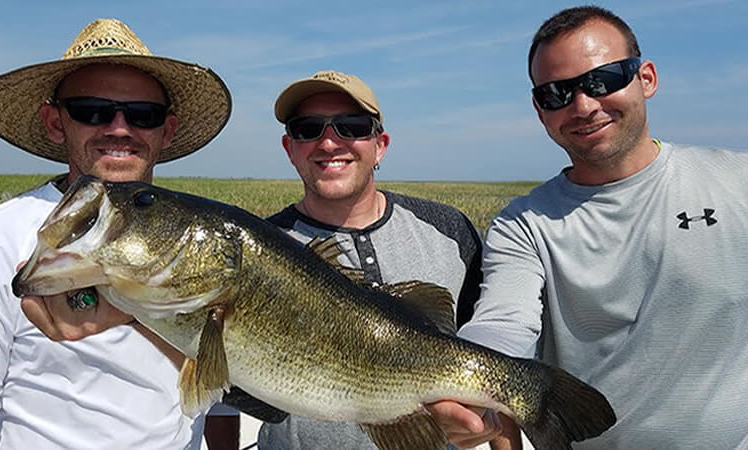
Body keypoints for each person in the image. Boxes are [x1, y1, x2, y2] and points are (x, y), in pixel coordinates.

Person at [458, 5, 748, 449]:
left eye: (602, 80)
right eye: (557, 93)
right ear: (540, 110)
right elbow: (502, 324)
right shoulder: (523, 224)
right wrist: (465, 386)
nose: (584, 106)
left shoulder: (737, 182)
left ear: (646, 78)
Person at [0, 18, 231, 449]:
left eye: (143, 115)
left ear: (166, 131)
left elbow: (227, 384)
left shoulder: (200, 240)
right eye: (91, 111)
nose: (119, 128)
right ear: (56, 122)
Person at [218, 70, 508, 449]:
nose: (328, 142)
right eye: (308, 129)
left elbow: (491, 361)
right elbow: (229, 394)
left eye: (351, 127)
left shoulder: (448, 231)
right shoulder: (259, 252)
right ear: (290, 148)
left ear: (380, 145)